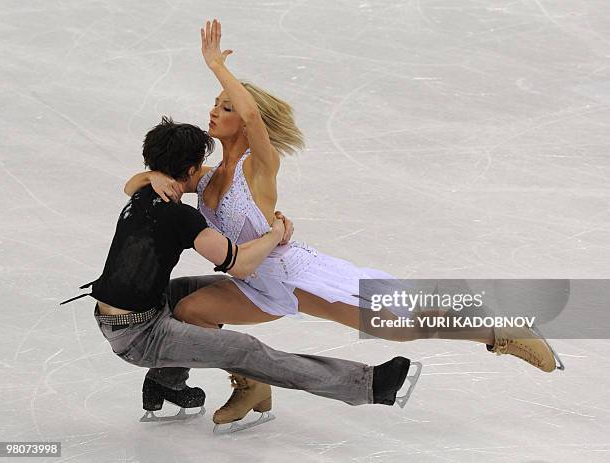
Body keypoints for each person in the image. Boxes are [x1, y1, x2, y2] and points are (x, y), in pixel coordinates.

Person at [124, 19, 562, 429]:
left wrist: (217, 66)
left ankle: (500, 331)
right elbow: (131, 187)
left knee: (396, 326)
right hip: (251, 285)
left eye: (225, 106)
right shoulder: (209, 176)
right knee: (190, 312)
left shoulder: (259, 167)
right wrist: (152, 175)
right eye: (215, 104)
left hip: (291, 276)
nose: (214, 111)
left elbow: (256, 119)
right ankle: (254, 385)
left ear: (244, 117)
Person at [61, 116, 421, 433]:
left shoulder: (142, 192)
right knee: (244, 350)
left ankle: (165, 384)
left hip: (128, 311)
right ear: (190, 172)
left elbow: (132, 182)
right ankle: (368, 385)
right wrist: (275, 236)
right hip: (139, 335)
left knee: (197, 298)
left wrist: (149, 175)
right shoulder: (181, 217)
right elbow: (241, 264)